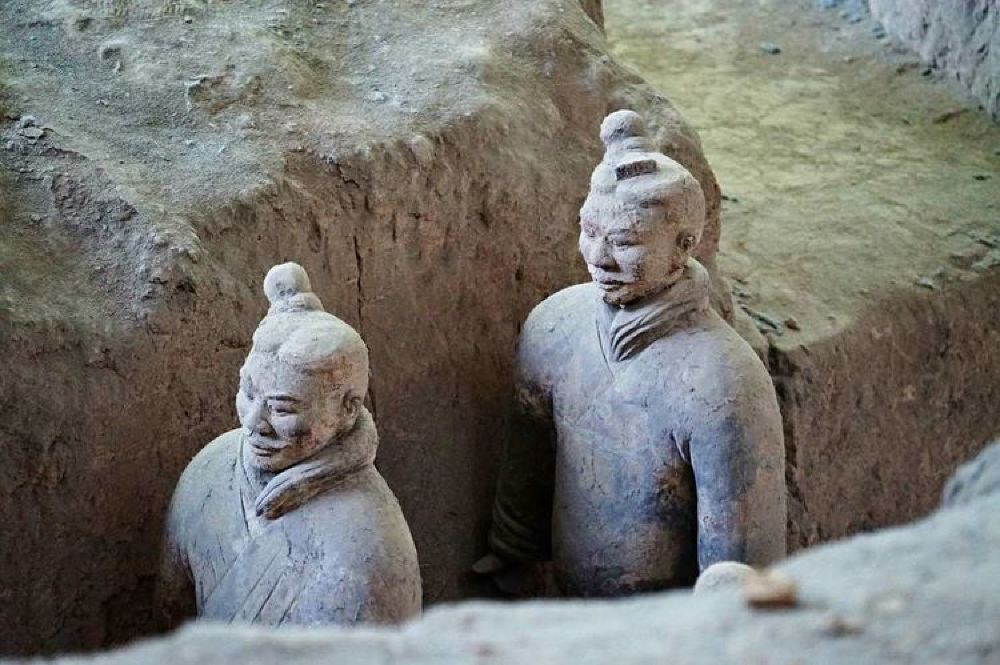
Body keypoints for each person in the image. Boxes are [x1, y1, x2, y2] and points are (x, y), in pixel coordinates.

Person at [478, 110, 787, 596]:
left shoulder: (723, 381)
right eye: (589, 231)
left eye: (625, 242)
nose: (598, 257)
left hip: (666, 629)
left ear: (684, 245)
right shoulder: (554, 326)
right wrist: (512, 561)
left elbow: (740, 577)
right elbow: (526, 477)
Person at [157, 263, 421, 627]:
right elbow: (171, 616)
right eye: (249, 394)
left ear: (348, 408)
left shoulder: (371, 549)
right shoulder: (208, 471)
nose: (253, 423)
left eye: (282, 408)